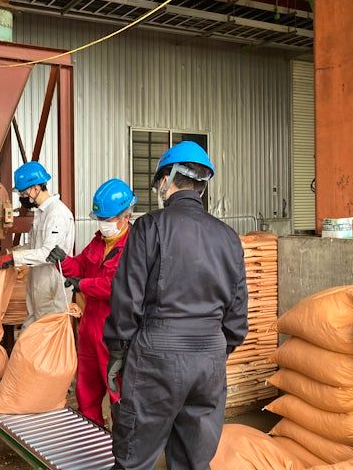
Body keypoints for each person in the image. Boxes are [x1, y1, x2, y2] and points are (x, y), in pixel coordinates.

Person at [104, 141, 248, 470]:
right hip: (209, 358)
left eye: (160, 181)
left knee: (134, 458)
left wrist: (118, 351)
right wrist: (214, 349)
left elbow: (127, 298)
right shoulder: (228, 237)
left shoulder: (149, 227)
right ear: (202, 185)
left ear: (167, 179)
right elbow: (237, 313)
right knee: (193, 460)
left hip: (157, 356)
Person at [47, 178, 136, 427]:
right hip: (89, 327)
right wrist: (64, 261)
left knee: (117, 390)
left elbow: (116, 286)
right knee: (86, 388)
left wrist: (83, 285)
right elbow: (82, 265)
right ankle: (91, 431)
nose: (103, 224)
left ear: (125, 216)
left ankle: (122, 441)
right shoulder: (99, 240)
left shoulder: (135, 247)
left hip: (114, 332)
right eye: (100, 219)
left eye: (107, 219)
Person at [0, 161, 75, 327]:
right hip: (38, 282)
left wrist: (14, 257)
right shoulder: (42, 213)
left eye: (24, 192)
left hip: (52, 284)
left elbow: (48, 254)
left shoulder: (57, 214)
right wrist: (10, 253)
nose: (22, 197)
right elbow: (33, 246)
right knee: (32, 329)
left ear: (36, 188)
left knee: (47, 333)